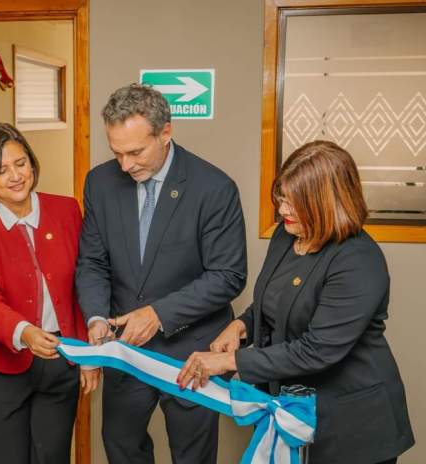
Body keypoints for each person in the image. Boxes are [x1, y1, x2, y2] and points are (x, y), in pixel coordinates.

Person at [177, 140, 415, 464]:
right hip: (293, 413)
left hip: (352, 427)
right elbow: (272, 301)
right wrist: (240, 325)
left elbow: (317, 349)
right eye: (281, 199)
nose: (283, 211)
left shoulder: (359, 260)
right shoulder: (287, 234)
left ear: (327, 204)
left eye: (293, 202)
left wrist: (229, 361)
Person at [76, 84, 247, 464]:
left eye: (135, 152)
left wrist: (157, 315)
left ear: (165, 132)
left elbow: (228, 275)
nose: (125, 165)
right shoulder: (100, 183)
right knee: (122, 448)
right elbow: (92, 261)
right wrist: (97, 317)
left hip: (191, 351)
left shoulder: (213, 188)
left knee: (192, 454)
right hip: (125, 350)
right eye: (116, 152)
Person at [0, 122, 100, 464]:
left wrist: (87, 354)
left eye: (20, 163)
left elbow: (83, 282)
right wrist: (25, 332)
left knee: (52, 456)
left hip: (60, 356)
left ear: (32, 163)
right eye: (0, 170)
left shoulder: (66, 210)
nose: (15, 176)